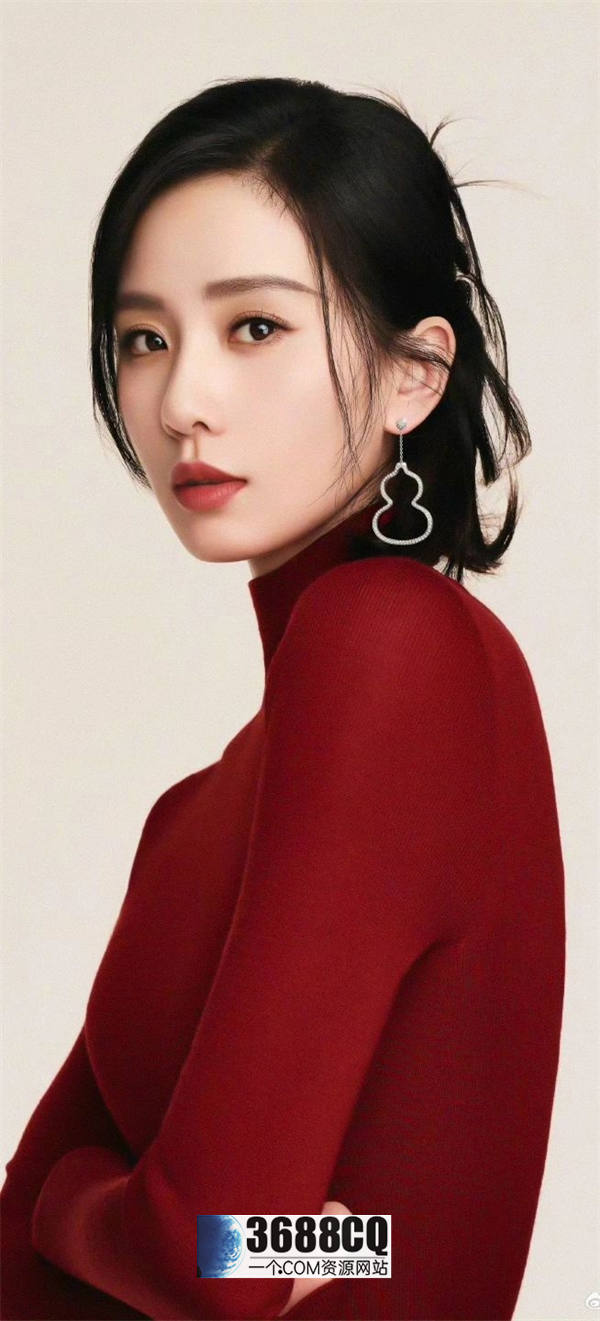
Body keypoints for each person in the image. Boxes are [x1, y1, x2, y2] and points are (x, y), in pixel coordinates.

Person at [0, 76, 565, 1321]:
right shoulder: (193, 811)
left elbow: (217, 1250)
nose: (180, 401)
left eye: (254, 326)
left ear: (414, 375)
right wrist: (98, 1212)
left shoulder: (397, 650)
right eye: (144, 338)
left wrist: (69, 1207)